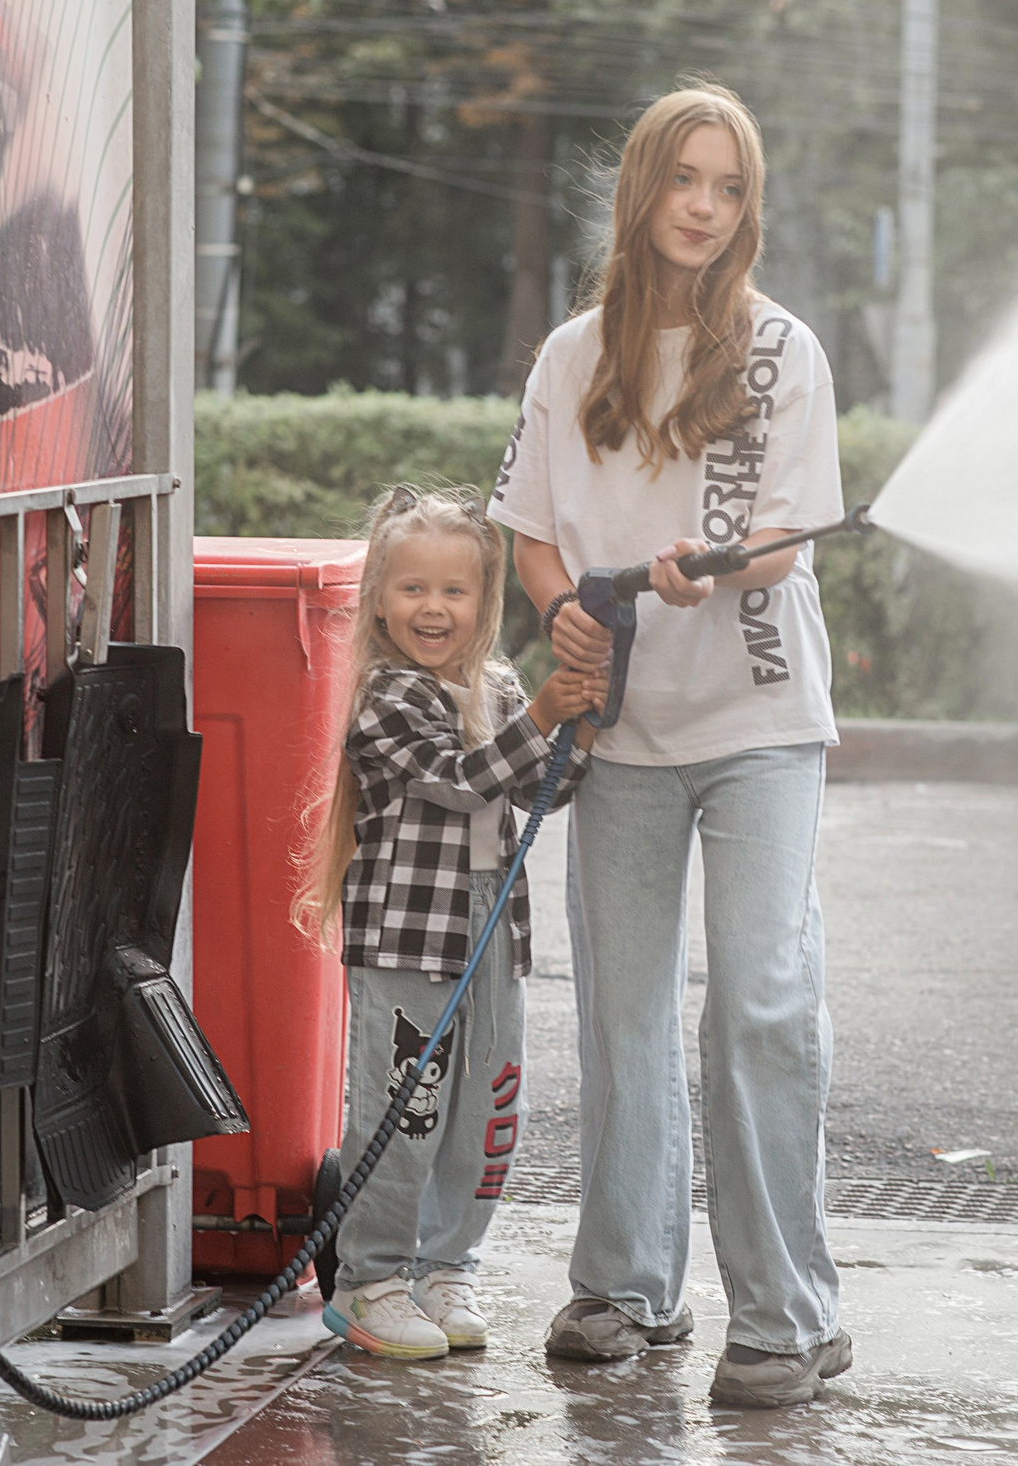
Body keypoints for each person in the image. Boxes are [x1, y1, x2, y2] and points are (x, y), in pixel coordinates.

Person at [487, 82, 853, 1408]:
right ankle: (627, 1287)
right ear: (642, 189)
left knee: (760, 998)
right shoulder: (571, 353)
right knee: (624, 1010)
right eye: (685, 178)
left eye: (730, 186)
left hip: (757, 721)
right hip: (622, 731)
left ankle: (790, 1311)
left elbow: (792, 533)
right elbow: (530, 528)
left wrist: (713, 566)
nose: (705, 205)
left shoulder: (782, 352)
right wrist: (564, 619)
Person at [294, 485, 603, 1360]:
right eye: (413, 589)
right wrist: (542, 718)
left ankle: (445, 1263)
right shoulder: (385, 698)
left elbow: (543, 789)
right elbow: (461, 779)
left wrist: (575, 722)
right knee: (406, 1105)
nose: (433, 608)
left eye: (453, 591)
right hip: (408, 929)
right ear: (382, 599)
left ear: (484, 600)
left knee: (487, 1102)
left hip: (492, 924)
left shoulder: (499, 683)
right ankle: (370, 1277)